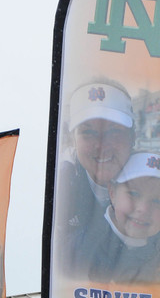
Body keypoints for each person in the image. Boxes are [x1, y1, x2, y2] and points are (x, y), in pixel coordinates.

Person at [68, 152, 160, 284]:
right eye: (133, 193)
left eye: (157, 201)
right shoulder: (77, 249)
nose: (143, 209)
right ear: (112, 193)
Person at [57, 81, 135, 233]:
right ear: (74, 140)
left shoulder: (156, 187)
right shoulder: (59, 187)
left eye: (113, 131)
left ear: (133, 137)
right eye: (88, 132)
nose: (101, 145)